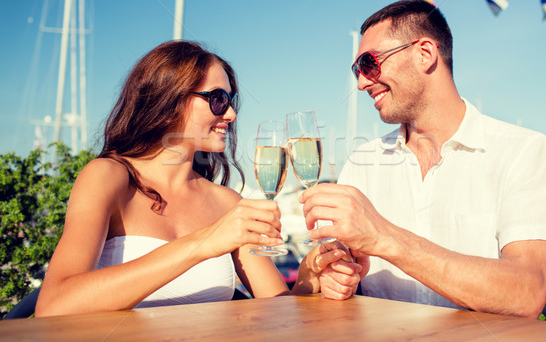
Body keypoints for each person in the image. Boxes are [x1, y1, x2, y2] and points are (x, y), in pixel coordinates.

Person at [35, 40, 361, 317]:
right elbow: (54, 304)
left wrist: (309, 275)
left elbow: (278, 312)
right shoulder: (109, 177)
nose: (231, 114)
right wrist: (204, 242)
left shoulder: (228, 204)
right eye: (218, 99)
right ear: (170, 98)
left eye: (231, 101)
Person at [300, 0, 546, 319]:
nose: (361, 82)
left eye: (368, 63)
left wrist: (384, 237)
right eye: (357, 70)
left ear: (425, 54)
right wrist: (337, 277)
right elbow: (339, 272)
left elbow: (527, 292)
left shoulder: (524, 152)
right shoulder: (361, 163)